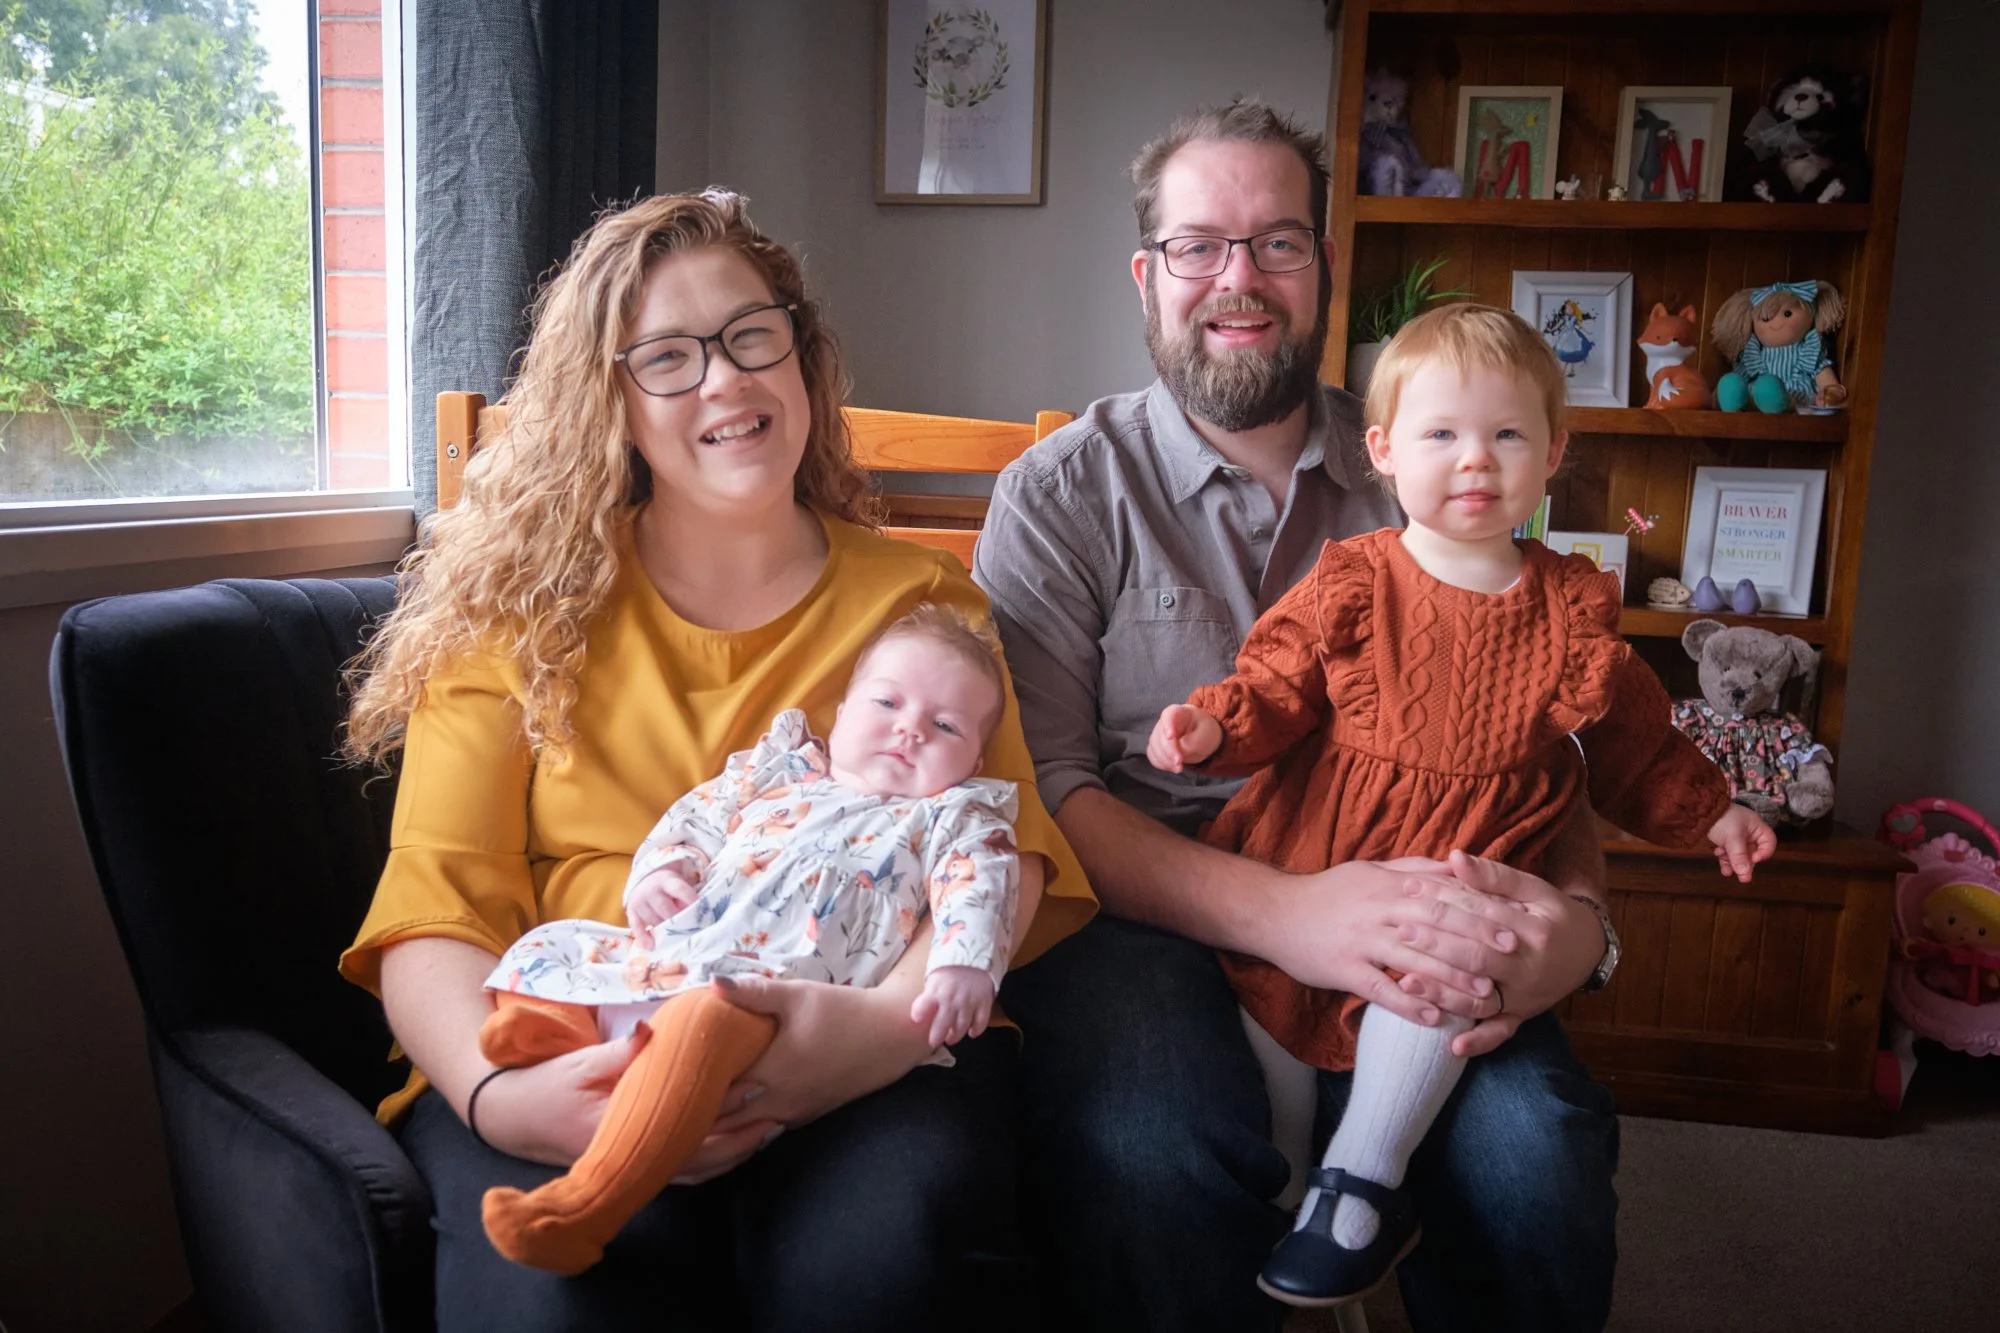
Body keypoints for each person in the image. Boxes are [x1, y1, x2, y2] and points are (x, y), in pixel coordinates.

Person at [338, 189, 1092, 1332]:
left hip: (852, 1041)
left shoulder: (921, 604)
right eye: (668, 357)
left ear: (801, 352)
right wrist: (502, 1100)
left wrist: (874, 1033)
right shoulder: (508, 621)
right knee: (557, 1304)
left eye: (751, 335)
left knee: (880, 1270)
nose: (727, 381)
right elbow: (432, 905)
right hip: (573, 1044)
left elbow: (1000, 852)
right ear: (610, 401)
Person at [972, 99, 1628, 1332]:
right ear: (1145, 273)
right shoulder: (1061, 495)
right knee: (1150, 1152)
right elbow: (1046, 792)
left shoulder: (1437, 455)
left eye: (1278, 241)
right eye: (1198, 245)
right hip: (1144, 924)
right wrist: (1291, 916)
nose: (1240, 279)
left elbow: (1545, 735)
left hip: (1421, 898)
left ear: (1322, 267)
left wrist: (1578, 930)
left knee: (1535, 1152)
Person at [1147, 302, 1776, 1307]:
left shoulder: (1568, 606)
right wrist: (1213, 728)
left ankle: (1366, 1179)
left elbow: (1633, 743)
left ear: (1552, 452)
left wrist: (1710, 812)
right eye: (1441, 433)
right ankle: (1295, 1188)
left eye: (1505, 434)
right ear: (1384, 451)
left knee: (1434, 982)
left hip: (1460, 872)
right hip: (1316, 856)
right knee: (1262, 1036)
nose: (1473, 459)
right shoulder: (1357, 576)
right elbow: (1276, 682)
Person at [475, 605, 1024, 1275]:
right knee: (555, 943)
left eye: (944, 726)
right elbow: (697, 816)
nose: (910, 728)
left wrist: (964, 964)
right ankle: (556, 1035)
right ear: (842, 709)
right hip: (676, 958)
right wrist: (661, 868)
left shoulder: (950, 818)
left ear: (974, 760)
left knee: (703, 1021)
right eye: (887, 701)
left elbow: (982, 886)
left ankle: (585, 1205)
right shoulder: (780, 771)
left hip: (772, 1005)